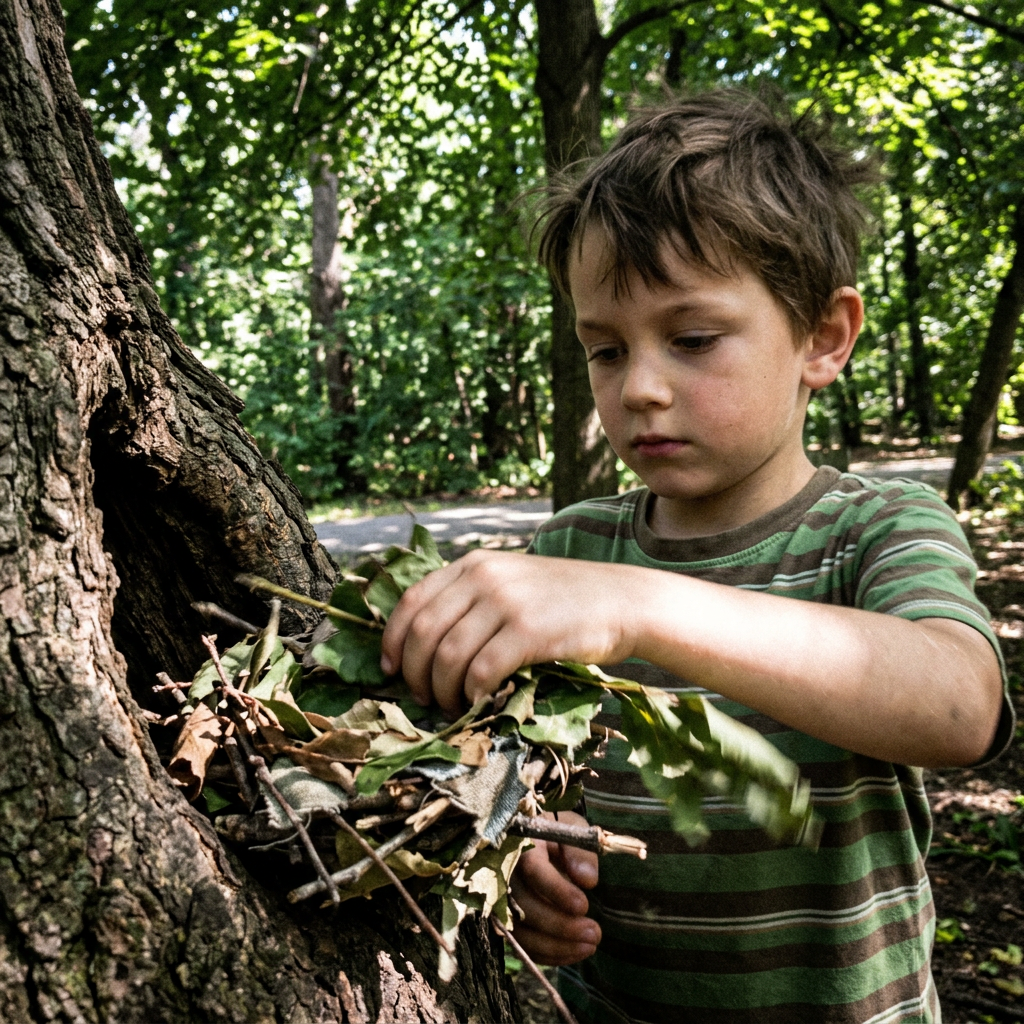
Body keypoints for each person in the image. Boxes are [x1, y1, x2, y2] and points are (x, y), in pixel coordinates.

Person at [379, 90, 1014, 1023]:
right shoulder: (576, 549)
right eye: (603, 349)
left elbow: (960, 706)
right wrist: (526, 855)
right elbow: (518, 776)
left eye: (693, 339)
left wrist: (646, 608)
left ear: (823, 337)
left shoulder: (877, 526)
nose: (638, 388)